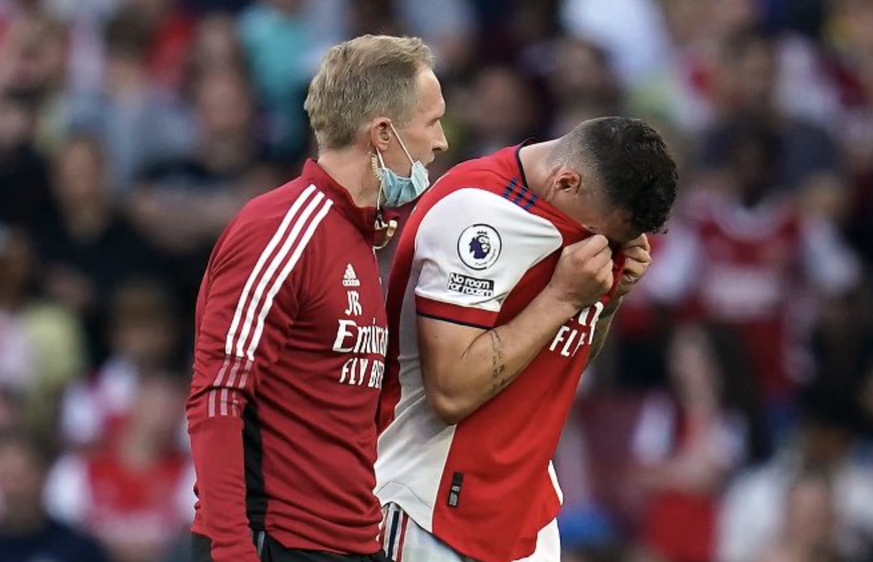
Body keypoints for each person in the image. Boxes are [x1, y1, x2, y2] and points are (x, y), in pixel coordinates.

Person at [186, 34, 447, 562]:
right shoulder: (281, 228)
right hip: (274, 541)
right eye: (432, 121)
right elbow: (218, 393)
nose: (441, 141)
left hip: (349, 544)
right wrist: (231, 547)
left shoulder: (356, 237)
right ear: (382, 134)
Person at [375, 116, 678, 562]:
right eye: (600, 235)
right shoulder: (478, 214)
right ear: (566, 182)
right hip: (431, 508)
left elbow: (561, 358)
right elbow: (451, 392)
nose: (604, 250)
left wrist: (610, 301)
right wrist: (561, 297)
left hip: (526, 514)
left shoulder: (583, 223)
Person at [0, 431, 110, 562]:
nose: (14, 489)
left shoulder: (77, 548)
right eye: (6, 477)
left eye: (22, 476)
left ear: (44, 475)